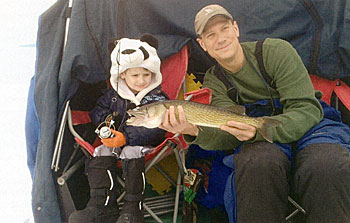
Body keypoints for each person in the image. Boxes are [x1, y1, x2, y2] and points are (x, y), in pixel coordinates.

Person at [160, 4, 350, 223]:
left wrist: (258, 130)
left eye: (224, 29)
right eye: (211, 35)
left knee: (327, 164)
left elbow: (306, 109)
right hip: (260, 136)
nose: (220, 38)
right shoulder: (215, 80)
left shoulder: (275, 51)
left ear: (236, 29)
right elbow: (226, 132)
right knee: (255, 164)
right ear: (202, 45)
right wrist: (193, 130)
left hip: (310, 126)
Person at [68, 35, 168, 223]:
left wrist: (126, 138)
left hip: (145, 145)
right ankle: (102, 205)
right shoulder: (113, 96)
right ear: (122, 74)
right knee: (101, 150)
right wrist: (105, 126)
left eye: (146, 75)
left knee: (130, 151)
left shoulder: (157, 98)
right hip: (115, 140)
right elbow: (98, 111)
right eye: (135, 75)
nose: (141, 81)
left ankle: (133, 208)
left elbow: (156, 129)